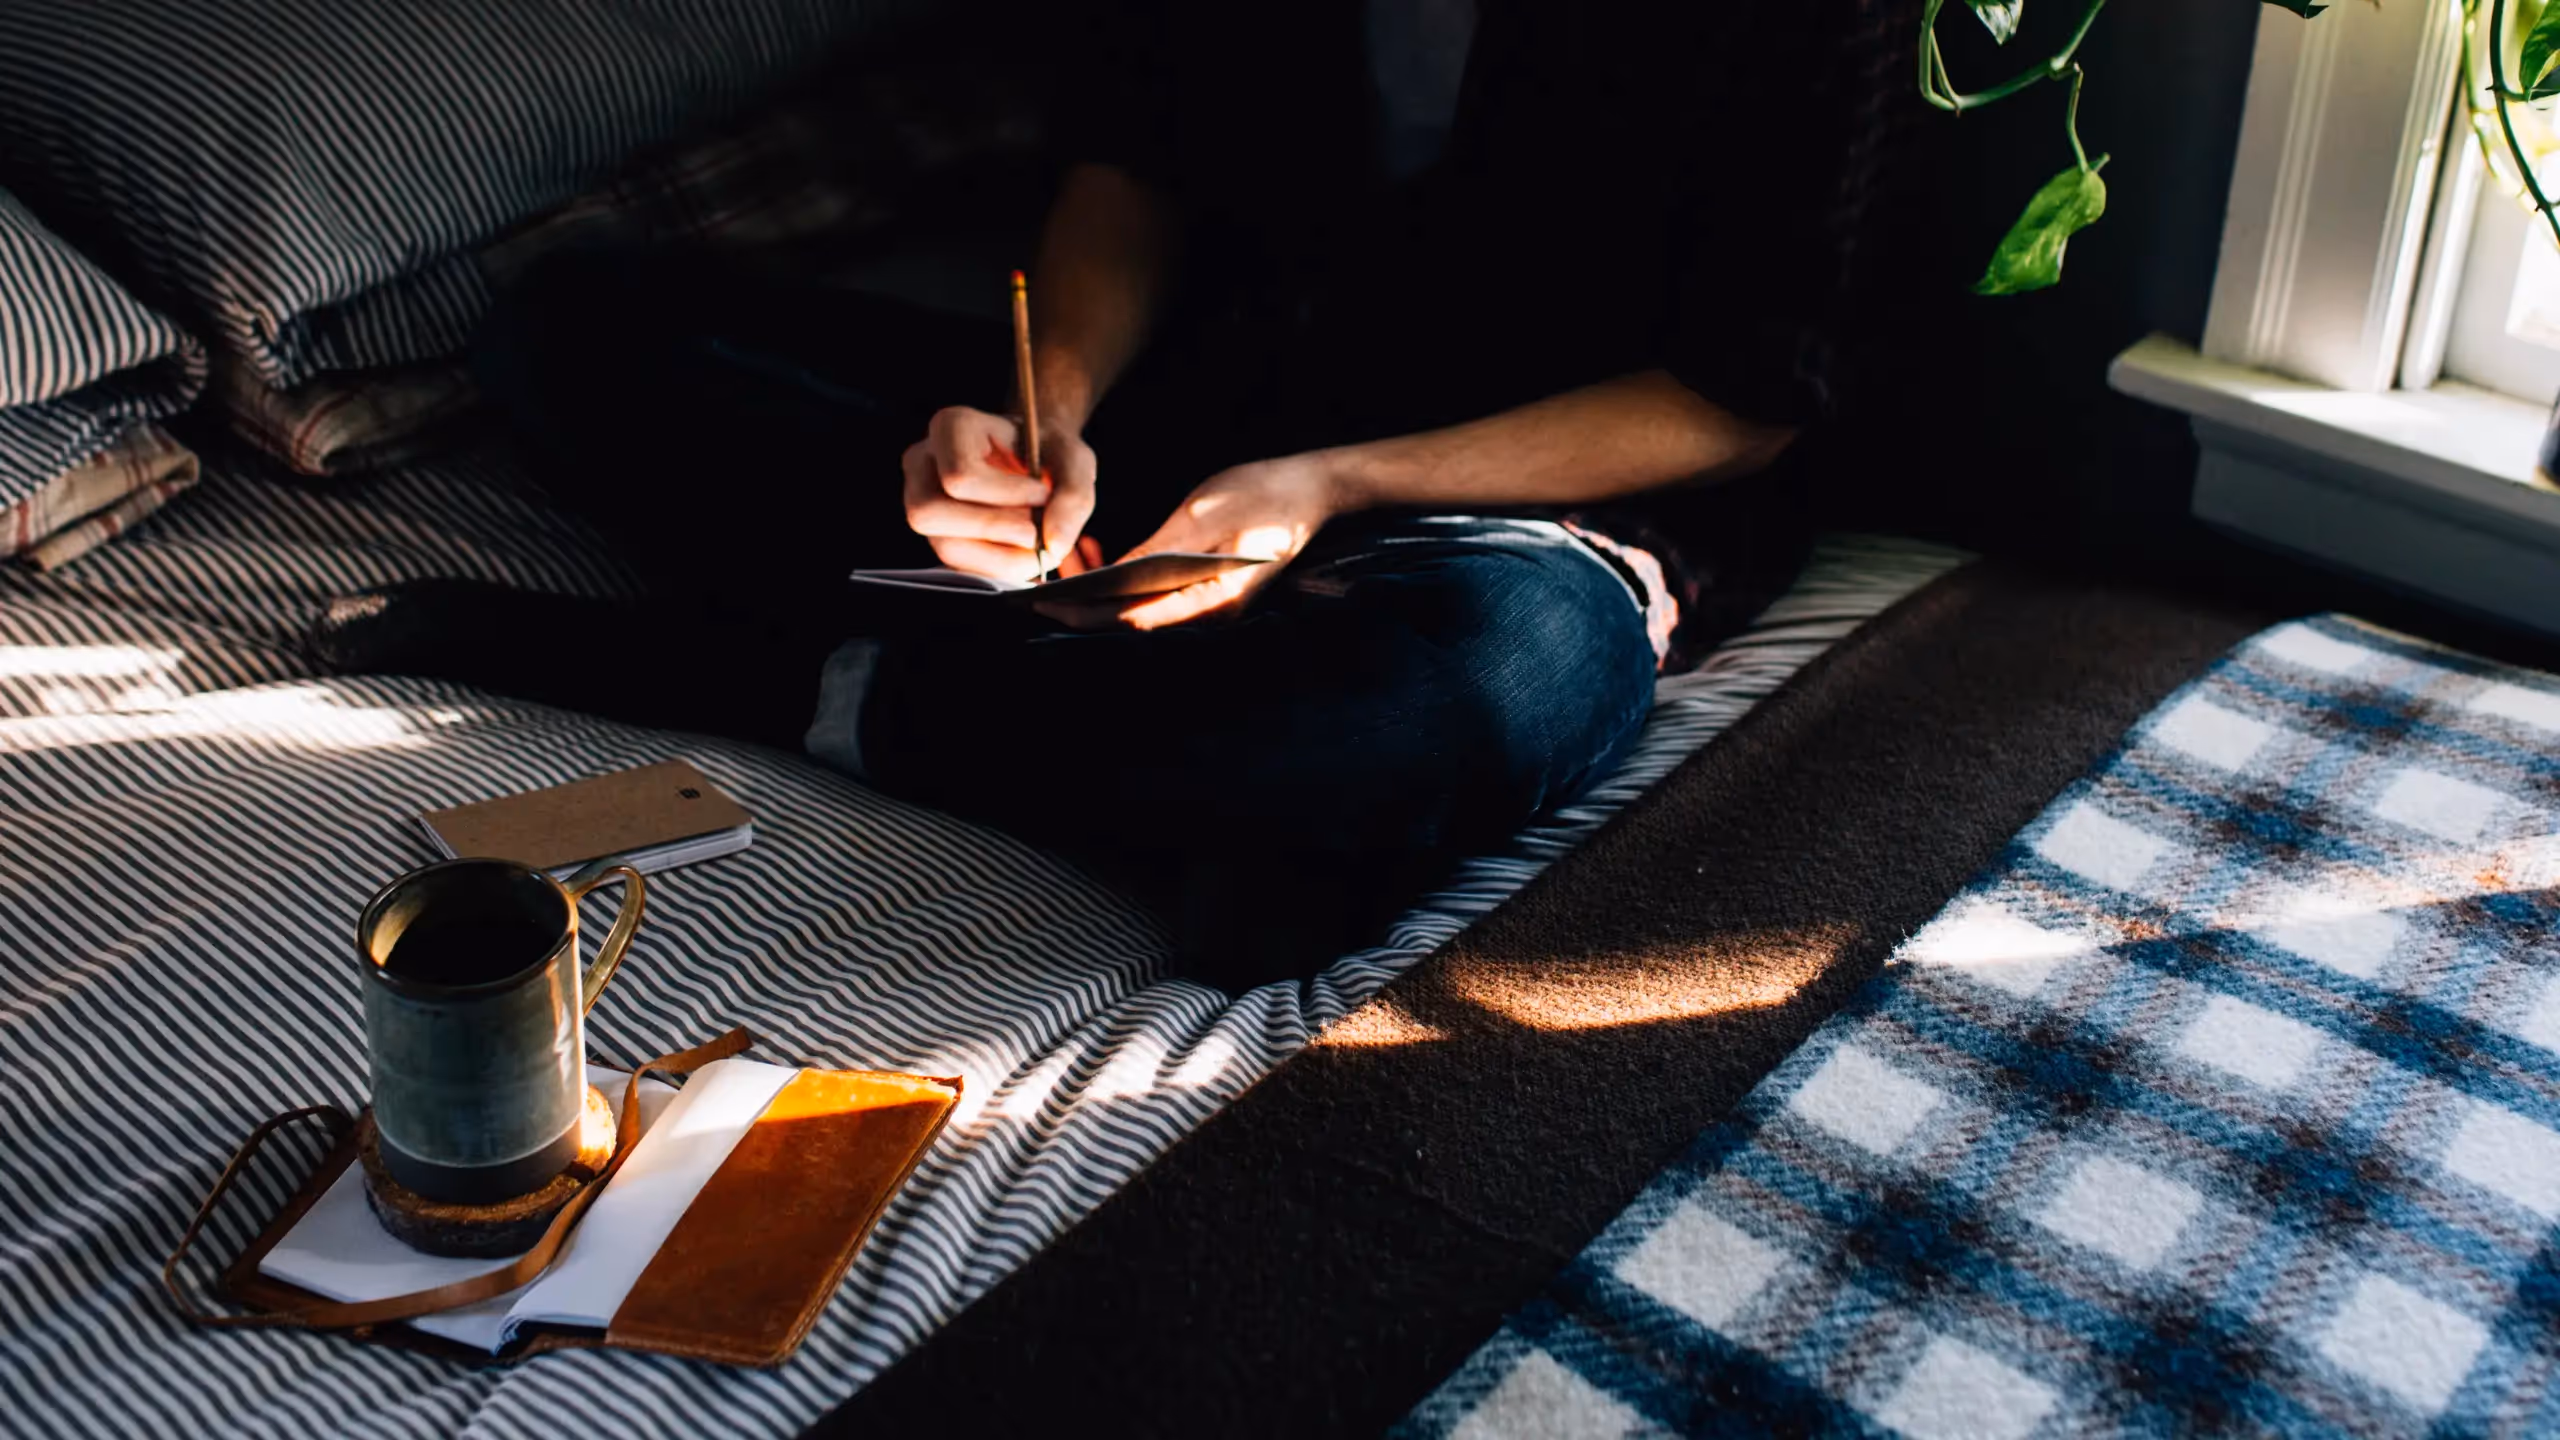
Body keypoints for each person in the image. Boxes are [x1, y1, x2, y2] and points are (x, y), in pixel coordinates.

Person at [317, 0, 1856, 989]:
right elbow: (1134, 178)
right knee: (572, 327)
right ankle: (1190, 752)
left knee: (1437, 706)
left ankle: (791, 680)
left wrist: (1333, 485)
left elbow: (1743, 403)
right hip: (1215, 417)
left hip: (1527, 507)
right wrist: (1041, 414)